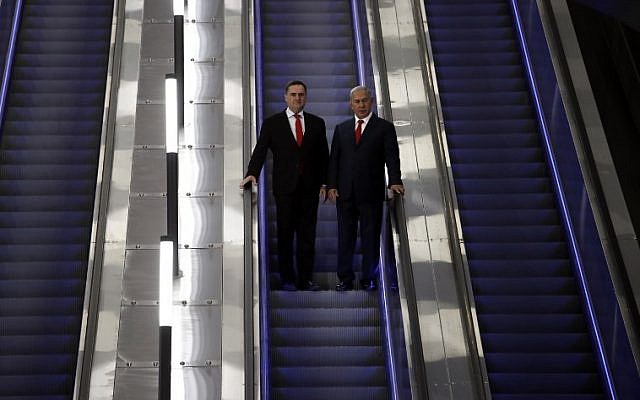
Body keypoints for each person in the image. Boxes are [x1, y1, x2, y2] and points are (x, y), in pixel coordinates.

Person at [240, 80, 329, 291]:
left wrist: (326, 182)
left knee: (307, 237)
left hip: (310, 189)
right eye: (293, 94)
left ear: (305, 97)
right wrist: (252, 173)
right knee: (285, 235)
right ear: (285, 97)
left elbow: (323, 157)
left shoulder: (317, 123)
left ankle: (305, 279)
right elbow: (260, 150)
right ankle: (287, 279)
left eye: (301, 94)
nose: (297, 98)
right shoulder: (272, 123)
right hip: (285, 190)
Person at [327, 86, 404, 291]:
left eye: (364, 101)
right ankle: (345, 278)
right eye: (357, 101)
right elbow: (334, 159)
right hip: (345, 193)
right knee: (346, 237)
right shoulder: (342, 128)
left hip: (371, 193)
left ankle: (369, 279)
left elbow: (392, 157)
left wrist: (395, 180)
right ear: (351, 104)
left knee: (370, 238)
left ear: (371, 102)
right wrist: (332, 185)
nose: (361, 105)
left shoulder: (384, 127)